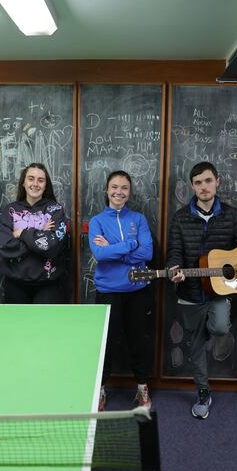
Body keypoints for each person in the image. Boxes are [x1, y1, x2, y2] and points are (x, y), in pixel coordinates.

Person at [166, 161, 237, 419]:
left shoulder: (231, 216)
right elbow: (174, 252)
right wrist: (173, 269)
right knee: (195, 346)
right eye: (198, 182)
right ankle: (203, 390)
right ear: (192, 186)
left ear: (217, 182)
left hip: (220, 292)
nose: (203, 187)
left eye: (208, 181)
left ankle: (210, 326)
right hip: (189, 292)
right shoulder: (180, 218)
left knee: (220, 327)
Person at [89, 171, 154, 410]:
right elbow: (99, 254)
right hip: (108, 291)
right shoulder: (97, 221)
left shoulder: (138, 219)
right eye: (114, 187)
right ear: (107, 190)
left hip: (138, 290)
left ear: (130, 191)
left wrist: (114, 249)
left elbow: (147, 253)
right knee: (107, 343)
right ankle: (101, 390)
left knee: (139, 341)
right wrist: (130, 245)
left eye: (124, 187)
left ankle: (142, 388)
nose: (119, 192)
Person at [0, 163, 69, 303]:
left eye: (40, 180)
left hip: (49, 284)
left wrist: (23, 233)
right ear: (23, 183)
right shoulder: (10, 211)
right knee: (18, 325)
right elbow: (5, 247)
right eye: (31, 178)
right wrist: (41, 234)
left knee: (45, 325)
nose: (35, 184)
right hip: (15, 284)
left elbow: (51, 246)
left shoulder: (55, 210)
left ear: (45, 185)